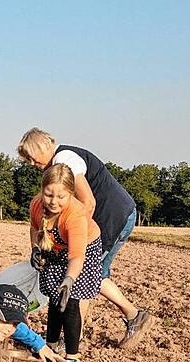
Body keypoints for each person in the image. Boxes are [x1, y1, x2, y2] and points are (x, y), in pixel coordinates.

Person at [18, 127, 157, 349]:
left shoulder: (64, 159)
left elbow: (88, 202)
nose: (32, 164)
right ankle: (132, 316)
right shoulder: (60, 162)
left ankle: (72, 339)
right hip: (117, 213)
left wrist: (76, 238)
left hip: (111, 216)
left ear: (43, 147)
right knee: (95, 273)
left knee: (82, 273)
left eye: (32, 158)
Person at [29, 164, 102, 362]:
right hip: (56, 249)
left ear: (70, 193)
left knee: (69, 301)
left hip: (83, 251)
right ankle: (50, 346)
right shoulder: (36, 205)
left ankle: (73, 358)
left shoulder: (75, 215)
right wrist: (35, 249)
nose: (53, 201)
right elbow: (34, 228)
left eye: (61, 196)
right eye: (48, 194)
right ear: (42, 190)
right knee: (54, 298)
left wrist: (69, 280)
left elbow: (77, 256)